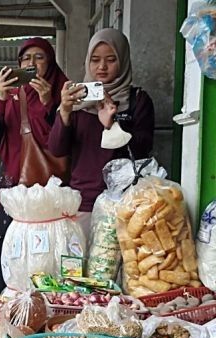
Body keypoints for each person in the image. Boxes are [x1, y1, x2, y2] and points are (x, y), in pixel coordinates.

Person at [0, 38, 68, 294]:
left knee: (44, 260)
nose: (32, 64)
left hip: (47, 194)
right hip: (12, 190)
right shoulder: (11, 95)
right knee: (6, 258)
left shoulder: (62, 90)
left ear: (50, 63)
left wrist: (50, 102)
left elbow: (65, 141)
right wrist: (0, 98)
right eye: (26, 59)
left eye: (39, 57)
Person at [48, 28, 155, 236]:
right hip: (83, 202)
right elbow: (56, 148)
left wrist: (112, 125)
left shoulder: (138, 100)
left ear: (123, 60)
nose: (102, 67)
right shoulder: (77, 101)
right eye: (95, 60)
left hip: (126, 203)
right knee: (81, 266)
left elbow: (144, 147)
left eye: (111, 59)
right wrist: (65, 112)